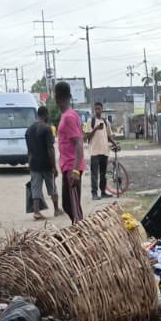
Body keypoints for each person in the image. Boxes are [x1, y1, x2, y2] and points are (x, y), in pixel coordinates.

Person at [55, 81, 85, 221]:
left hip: (72, 167)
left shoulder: (68, 117)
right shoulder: (68, 115)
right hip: (67, 166)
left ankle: (82, 234)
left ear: (57, 98)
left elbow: (78, 143)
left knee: (73, 207)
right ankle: (78, 230)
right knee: (68, 205)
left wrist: (75, 171)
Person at [25, 105, 60, 220]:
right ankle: (56, 210)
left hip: (34, 164)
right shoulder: (47, 128)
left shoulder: (29, 130)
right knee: (52, 187)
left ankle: (36, 212)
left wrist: (30, 164)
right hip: (46, 164)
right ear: (45, 115)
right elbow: (50, 149)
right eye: (48, 114)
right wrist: (54, 166)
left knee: (36, 188)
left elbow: (29, 150)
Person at [86, 100, 113, 198]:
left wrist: (115, 144)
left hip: (104, 151)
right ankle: (94, 193)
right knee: (94, 174)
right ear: (94, 110)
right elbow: (88, 137)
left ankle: (103, 192)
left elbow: (109, 136)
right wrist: (96, 128)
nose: (97, 111)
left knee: (103, 174)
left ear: (102, 110)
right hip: (94, 152)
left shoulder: (106, 122)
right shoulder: (90, 121)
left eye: (99, 109)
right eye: (96, 109)